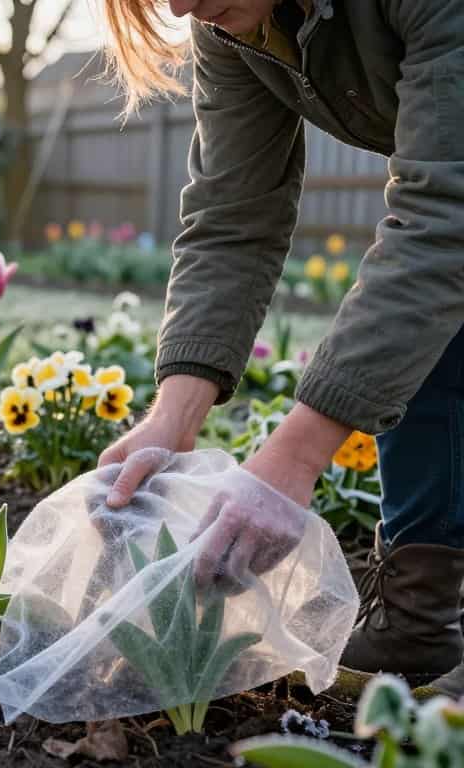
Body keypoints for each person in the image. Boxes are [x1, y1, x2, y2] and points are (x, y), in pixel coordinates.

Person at [98, 0, 464, 697]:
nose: (178, 6)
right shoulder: (233, 24)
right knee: (422, 333)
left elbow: (449, 215)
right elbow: (232, 218)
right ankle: (419, 616)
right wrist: (171, 419)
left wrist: (292, 460)